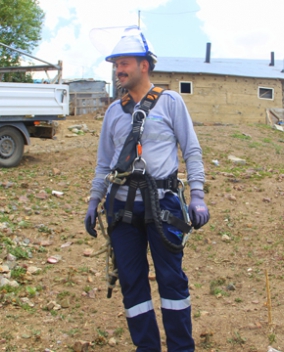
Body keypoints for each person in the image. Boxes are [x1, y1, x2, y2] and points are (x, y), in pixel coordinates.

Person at [84, 26, 209, 352]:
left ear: (145, 65)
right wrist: (93, 199)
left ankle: (181, 348)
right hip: (122, 210)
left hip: (163, 206)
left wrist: (197, 196)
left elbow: (191, 151)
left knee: (171, 280)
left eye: (124, 62)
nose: (119, 70)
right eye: (115, 64)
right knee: (131, 283)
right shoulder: (113, 112)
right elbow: (102, 164)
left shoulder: (170, 103)